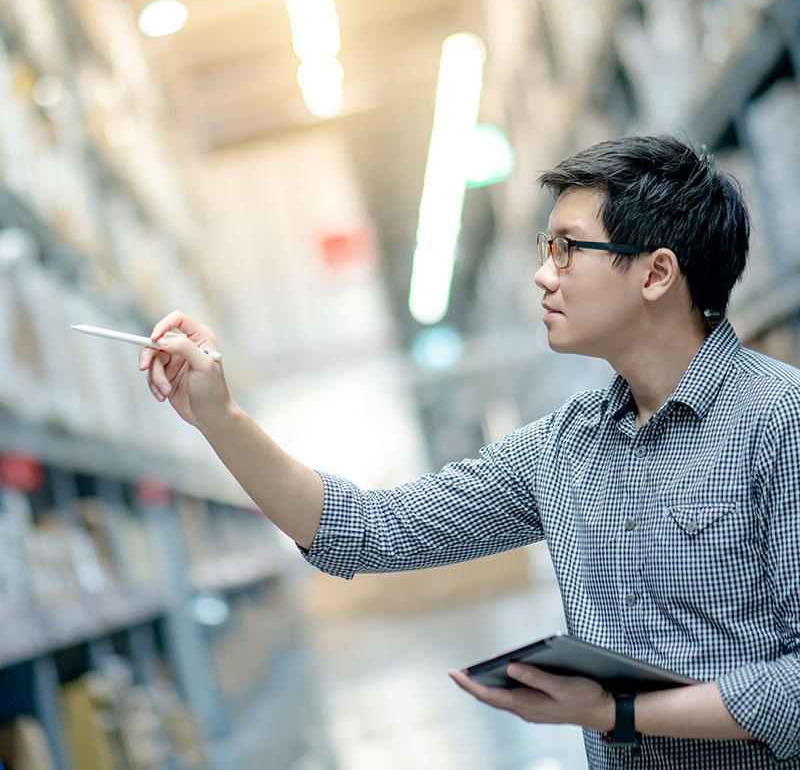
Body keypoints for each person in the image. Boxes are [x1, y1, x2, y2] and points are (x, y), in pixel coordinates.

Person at [139, 134, 800, 769]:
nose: (543, 276)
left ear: (657, 273)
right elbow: (368, 530)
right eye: (547, 248)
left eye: (568, 249)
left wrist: (615, 712)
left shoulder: (780, 421)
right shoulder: (563, 448)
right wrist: (219, 418)